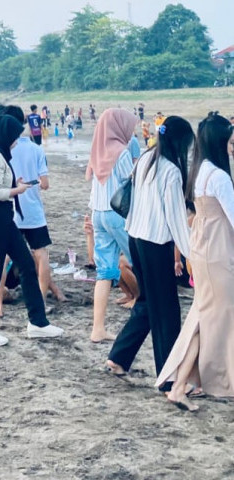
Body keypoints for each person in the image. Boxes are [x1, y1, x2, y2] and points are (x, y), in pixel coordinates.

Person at [105, 116, 194, 390]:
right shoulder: (171, 171)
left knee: (146, 304)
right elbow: (177, 219)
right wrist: (192, 255)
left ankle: (118, 357)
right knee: (167, 311)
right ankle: (168, 378)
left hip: (136, 239)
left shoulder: (145, 158)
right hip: (156, 246)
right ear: (179, 142)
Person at [154, 113, 234, 411]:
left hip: (203, 251)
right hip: (216, 254)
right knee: (209, 318)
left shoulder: (201, 170)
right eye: (229, 137)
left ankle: (191, 381)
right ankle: (180, 385)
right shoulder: (220, 177)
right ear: (219, 139)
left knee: (206, 316)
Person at [0, 115, 64, 346]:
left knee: (26, 265)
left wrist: (15, 185)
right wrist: (18, 190)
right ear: (5, 135)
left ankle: (38, 323)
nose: (17, 140)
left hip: (4, 217)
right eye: (14, 136)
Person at [0, 105, 65, 317]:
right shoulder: (35, 149)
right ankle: (40, 300)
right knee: (41, 254)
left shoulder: (1, 150)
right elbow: (45, 183)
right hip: (33, 211)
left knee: (3, 258)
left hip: (10, 211)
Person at [85, 108, 139, 343]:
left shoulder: (97, 150)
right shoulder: (122, 151)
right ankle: (149, 310)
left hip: (98, 212)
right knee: (141, 262)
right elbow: (133, 183)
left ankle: (98, 328)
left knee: (104, 272)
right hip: (118, 215)